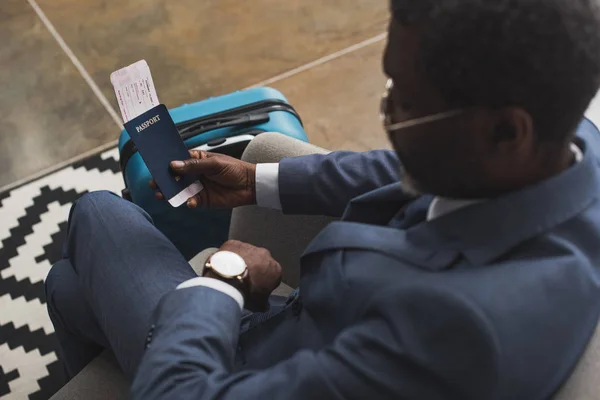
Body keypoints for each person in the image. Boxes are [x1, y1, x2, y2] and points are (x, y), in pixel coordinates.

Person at [45, 0, 600, 398]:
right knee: (67, 288)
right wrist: (256, 181)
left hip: (258, 369)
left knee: (99, 212)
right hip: (314, 322)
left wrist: (223, 281)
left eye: (404, 104)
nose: (389, 120)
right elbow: (403, 169)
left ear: (507, 132)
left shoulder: (458, 331)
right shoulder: (572, 147)